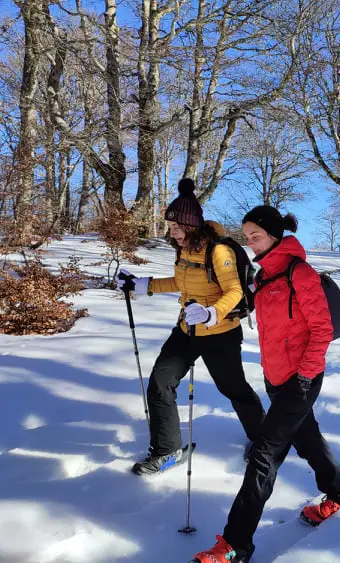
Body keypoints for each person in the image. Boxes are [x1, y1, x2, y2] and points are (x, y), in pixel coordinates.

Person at [191, 206, 340, 563]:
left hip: (302, 378)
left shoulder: (301, 273)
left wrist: (307, 374)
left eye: (256, 236)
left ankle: (235, 544)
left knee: (265, 454)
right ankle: (339, 492)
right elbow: (250, 310)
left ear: (275, 234)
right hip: (275, 376)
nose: (250, 243)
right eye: (246, 237)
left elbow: (322, 329)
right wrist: (211, 313)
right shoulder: (264, 276)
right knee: (307, 437)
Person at [116, 179, 265, 475]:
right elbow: (180, 282)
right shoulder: (183, 249)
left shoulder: (218, 251)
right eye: (170, 228)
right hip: (187, 329)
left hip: (220, 333)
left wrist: (212, 313)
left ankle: (264, 439)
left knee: (233, 388)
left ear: (190, 225)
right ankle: (167, 449)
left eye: (176, 227)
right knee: (161, 381)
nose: (172, 233)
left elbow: (234, 291)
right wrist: (142, 285)